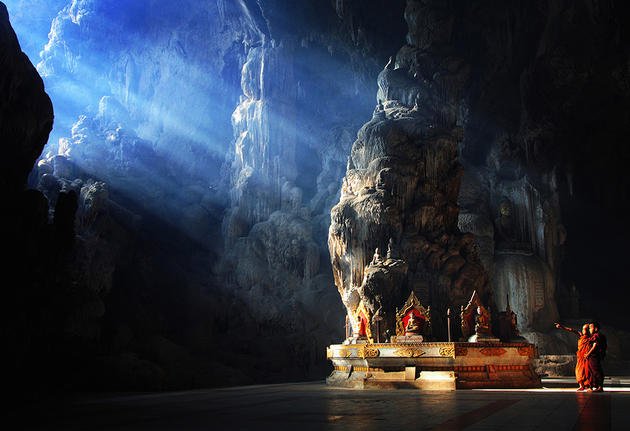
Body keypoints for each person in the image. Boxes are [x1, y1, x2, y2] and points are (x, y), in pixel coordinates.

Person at [554, 322, 591, 391]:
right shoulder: (581, 336)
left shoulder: (591, 338)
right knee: (578, 370)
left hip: (587, 357)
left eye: (585, 329)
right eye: (583, 329)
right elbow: (572, 330)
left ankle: (589, 385)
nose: (583, 331)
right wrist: (562, 327)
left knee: (587, 371)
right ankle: (581, 385)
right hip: (581, 357)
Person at [585, 321, 607, 392]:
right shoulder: (594, 335)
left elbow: (594, 346)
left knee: (596, 370)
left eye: (591, 328)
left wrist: (588, 354)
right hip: (593, 356)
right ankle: (596, 386)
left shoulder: (596, 336)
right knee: (592, 371)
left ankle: (600, 387)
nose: (589, 329)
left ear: (596, 329)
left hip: (594, 356)